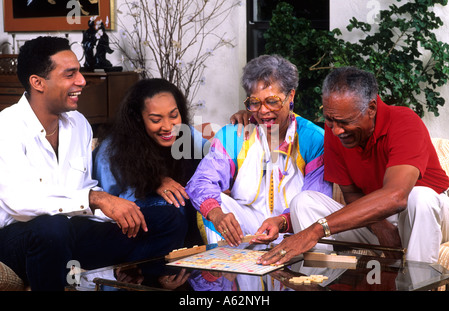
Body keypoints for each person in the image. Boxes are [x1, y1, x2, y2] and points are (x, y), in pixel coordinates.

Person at [0, 36, 186, 290]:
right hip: (18, 238)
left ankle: (139, 275)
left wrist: (121, 212)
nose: (82, 81)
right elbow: (19, 203)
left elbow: (83, 189)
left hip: (72, 230)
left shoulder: (78, 124)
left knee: (166, 218)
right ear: (38, 82)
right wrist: (98, 199)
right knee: (51, 229)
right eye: (70, 74)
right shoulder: (7, 127)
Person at [258, 66, 449, 266]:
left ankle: (417, 283)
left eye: (345, 122)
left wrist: (315, 230)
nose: (337, 130)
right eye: (330, 120)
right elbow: (351, 195)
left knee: (420, 197)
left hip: (428, 217)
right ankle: (321, 279)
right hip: (375, 219)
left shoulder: (404, 121)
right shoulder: (335, 131)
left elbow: (397, 196)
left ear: (371, 109)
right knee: (303, 201)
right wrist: (379, 226)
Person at [185, 55, 332, 246]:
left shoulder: (313, 138)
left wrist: (282, 222)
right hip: (246, 230)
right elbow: (201, 181)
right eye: (255, 102)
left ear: (291, 96)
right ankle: (224, 269)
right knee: (213, 202)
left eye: (272, 101)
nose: (263, 111)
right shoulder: (234, 135)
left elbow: (316, 202)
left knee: (306, 202)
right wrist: (217, 214)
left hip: (296, 230)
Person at [93, 78, 209, 247]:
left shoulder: (187, 134)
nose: (168, 126)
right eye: (156, 120)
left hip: (190, 241)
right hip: (138, 236)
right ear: (138, 120)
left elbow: (219, 160)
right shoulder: (110, 152)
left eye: (174, 115)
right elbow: (106, 209)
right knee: (167, 203)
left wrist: (244, 120)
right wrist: (152, 181)